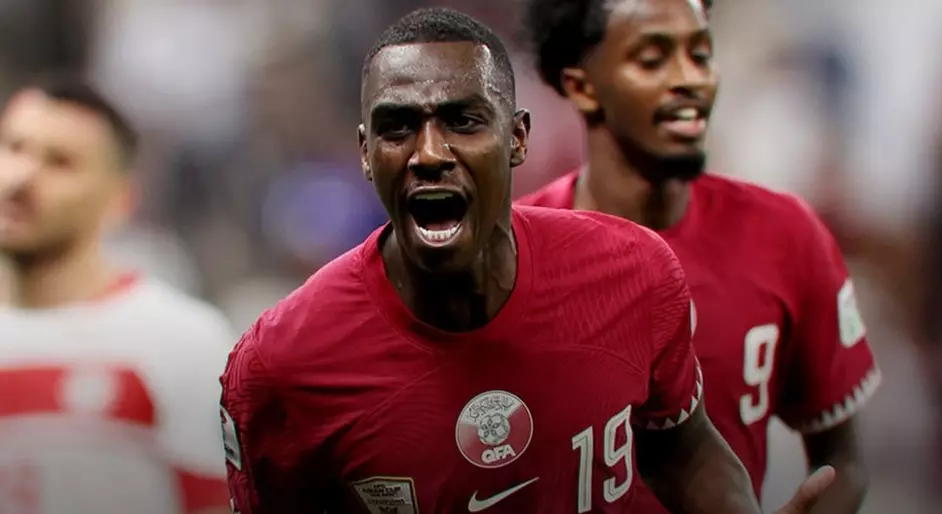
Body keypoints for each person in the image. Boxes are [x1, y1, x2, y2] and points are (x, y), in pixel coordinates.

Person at [220, 7, 833, 514]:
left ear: (517, 138)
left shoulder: (632, 272)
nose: (429, 153)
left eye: (463, 120)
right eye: (398, 127)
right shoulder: (282, 366)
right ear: (364, 151)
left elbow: (684, 450)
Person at [518, 0, 879, 511]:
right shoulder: (519, 255)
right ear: (582, 87)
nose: (690, 79)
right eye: (653, 59)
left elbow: (843, 459)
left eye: (701, 54)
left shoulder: (786, 236)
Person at [0, 77, 234, 514]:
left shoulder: (183, 342)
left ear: (120, 199)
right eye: (13, 148)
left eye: (60, 162)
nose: (22, 177)